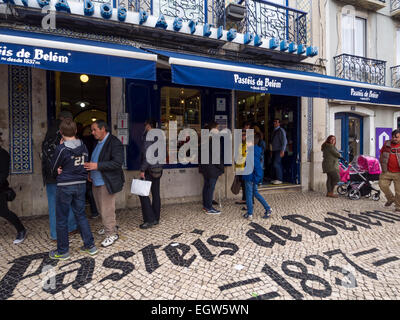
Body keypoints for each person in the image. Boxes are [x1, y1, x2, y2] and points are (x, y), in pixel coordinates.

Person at [49, 119, 97, 260]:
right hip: (80, 185)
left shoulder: (61, 148)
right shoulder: (83, 146)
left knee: (62, 219)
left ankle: (63, 251)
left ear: (61, 132)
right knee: (81, 215)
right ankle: (90, 246)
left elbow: (53, 168)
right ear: (76, 131)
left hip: (65, 186)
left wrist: (58, 169)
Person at [84, 120, 125, 247]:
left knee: (107, 209)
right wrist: (91, 172)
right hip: (96, 181)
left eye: (95, 129)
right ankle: (108, 226)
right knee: (101, 208)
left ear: (103, 129)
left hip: (106, 182)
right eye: (92, 130)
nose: (92, 132)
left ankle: (111, 234)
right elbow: (95, 158)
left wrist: (96, 166)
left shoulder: (114, 142)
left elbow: (117, 163)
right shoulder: (98, 142)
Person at [41, 110, 77, 241]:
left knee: (59, 203)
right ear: (66, 119)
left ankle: (71, 227)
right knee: (60, 203)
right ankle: (58, 234)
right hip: (59, 174)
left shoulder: (51, 130)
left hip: (51, 175)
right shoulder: (61, 132)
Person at [0, 138, 27, 244]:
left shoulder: (3, 154)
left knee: (4, 212)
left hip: (0, 188)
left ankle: (21, 230)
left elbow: (3, 174)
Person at [138, 119, 163, 229]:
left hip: (149, 169)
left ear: (148, 125)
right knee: (156, 194)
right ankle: (156, 218)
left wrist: (142, 169)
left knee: (143, 194)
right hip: (158, 169)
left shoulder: (149, 136)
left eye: (145, 125)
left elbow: (148, 155)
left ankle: (149, 219)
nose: (144, 127)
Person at [242, 133, 272, 220]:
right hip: (251, 176)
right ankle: (268, 208)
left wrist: (256, 179)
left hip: (250, 177)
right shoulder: (253, 150)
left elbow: (257, 167)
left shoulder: (252, 152)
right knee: (255, 193)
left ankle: (250, 213)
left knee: (249, 195)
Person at [199, 121, 224, 215]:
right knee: (210, 188)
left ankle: (206, 206)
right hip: (212, 169)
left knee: (206, 187)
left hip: (206, 168)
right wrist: (221, 168)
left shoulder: (205, 140)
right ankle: (209, 208)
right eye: (217, 128)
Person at [379, 129, 400, 212]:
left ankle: (398, 206)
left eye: (397, 137)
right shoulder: (387, 143)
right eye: (393, 137)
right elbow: (381, 153)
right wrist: (382, 164)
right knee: (382, 185)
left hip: (398, 172)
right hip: (386, 171)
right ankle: (391, 198)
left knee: (399, 191)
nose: (394, 139)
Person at [270, 119, 287, 185]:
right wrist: (271, 150)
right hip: (274, 150)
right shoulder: (274, 131)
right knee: (274, 164)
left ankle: (280, 179)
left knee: (276, 164)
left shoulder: (281, 130)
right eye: (274, 122)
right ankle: (275, 178)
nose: (275, 123)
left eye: (276, 122)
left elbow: (284, 141)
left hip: (279, 150)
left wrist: (282, 150)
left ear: (279, 123)